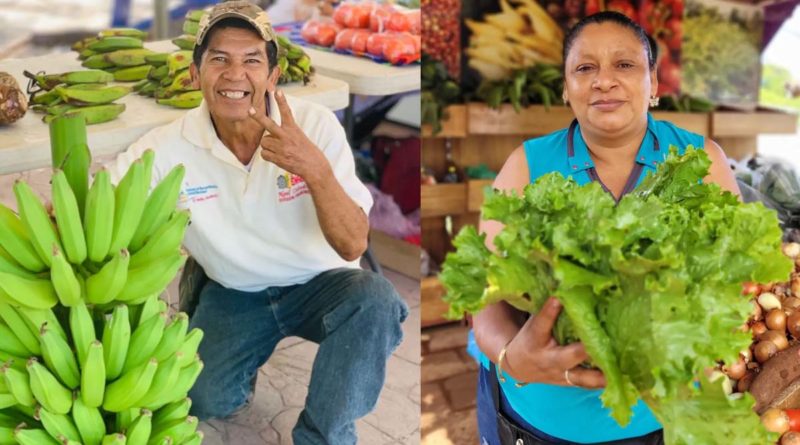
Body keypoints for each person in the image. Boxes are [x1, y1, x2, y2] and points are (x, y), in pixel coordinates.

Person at [107, 2, 408, 444]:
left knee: (376, 302)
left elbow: (352, 244)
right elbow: (108, 198)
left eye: (251, 61)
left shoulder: (314, 126)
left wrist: (316, 170)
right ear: (194, 74)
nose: (234, 75)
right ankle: (207, 292)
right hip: (237, 290)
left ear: (272, 75)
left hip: (322, 283)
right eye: (219, 60)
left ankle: (322, 436)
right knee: (203, 400)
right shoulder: (166, 146)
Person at [471, 11, 740, 445]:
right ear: (565, 88)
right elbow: (482, 291)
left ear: (654, 83)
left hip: (661, 419)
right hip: (539, 419)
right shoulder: (527, 164)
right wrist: (510, 356)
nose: (604, 80)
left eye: (625, 65)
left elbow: (733, 282)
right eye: (585, 68)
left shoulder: (702, 160)